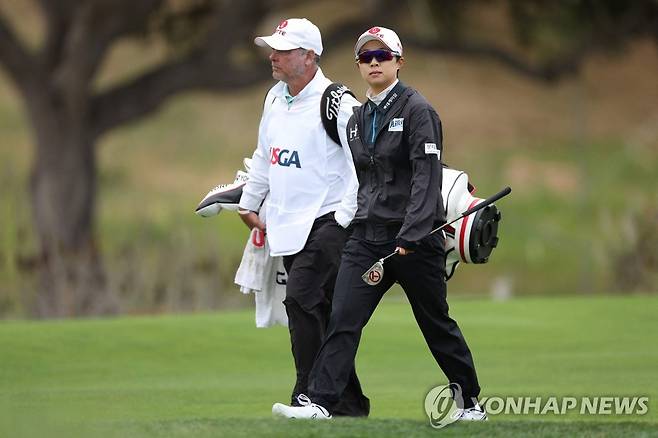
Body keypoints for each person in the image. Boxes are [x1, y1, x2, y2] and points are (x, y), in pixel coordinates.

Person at [271, 26, 486, 421]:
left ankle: (470, 404)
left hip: (415, 243)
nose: (373, 63)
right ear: (358, 65)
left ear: (398, 62)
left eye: (382, 56)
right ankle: (320, 402)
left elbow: (426, 177)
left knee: (436, 324)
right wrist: (346, 224)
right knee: (342, 320)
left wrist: (412, 235)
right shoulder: (357, 119)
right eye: (366, 58)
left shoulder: (419, 111)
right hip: (367, 238)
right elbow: (358, 181)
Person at [237, 18, 370, 417]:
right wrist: (249, 202)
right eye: (272, 49)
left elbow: (364, 163)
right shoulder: (275, 98)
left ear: (309, 56)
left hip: (330, 220)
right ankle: (348, 403)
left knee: (300, 299)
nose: (273, 57)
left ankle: (309, 395)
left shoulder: (338, 102)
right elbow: (265, 155)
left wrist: (346, 217)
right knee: (323, 310)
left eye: (283, 50)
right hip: (287, 223)